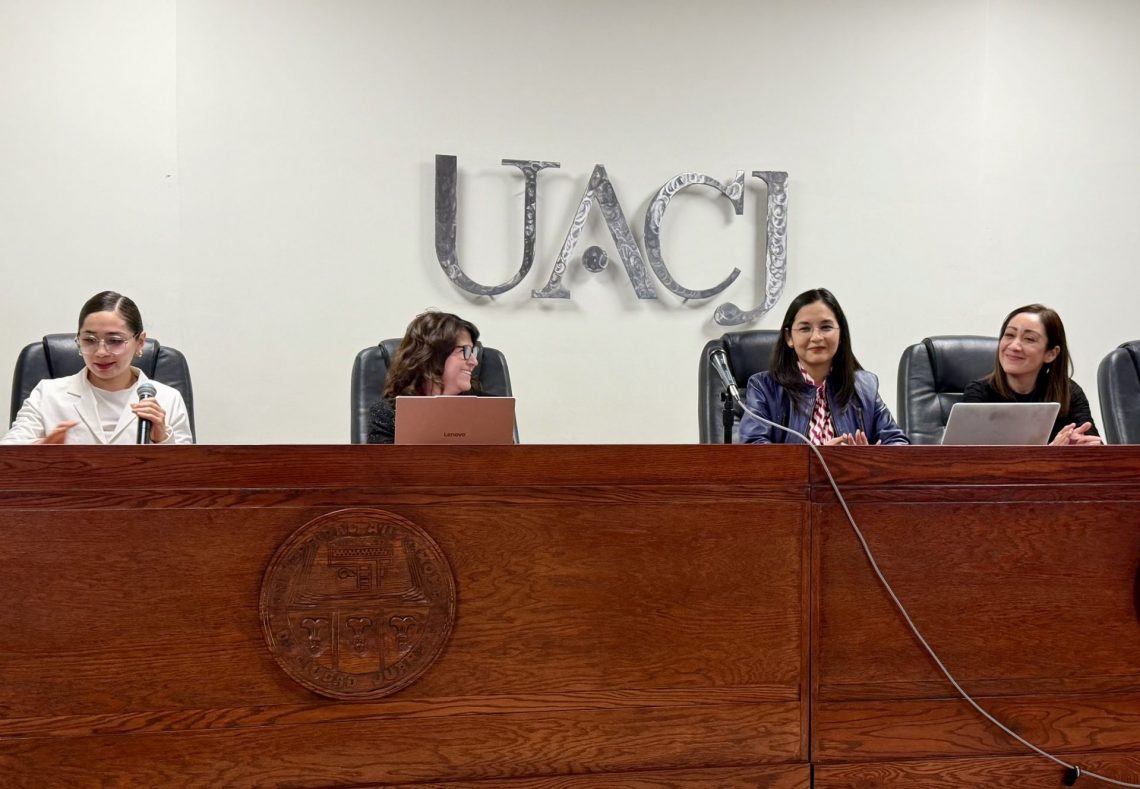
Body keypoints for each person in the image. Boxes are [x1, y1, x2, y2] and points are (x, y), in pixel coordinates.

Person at [1, 291, 193, 445]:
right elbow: (8, 455)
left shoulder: (168, 399)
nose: (101, 352)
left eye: (115, 341)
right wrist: (41, 448)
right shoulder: (47, 394)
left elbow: (188, 473)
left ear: (140, 342)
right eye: (89, 340)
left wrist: (162, 439)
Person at [739, 288, 908, 445]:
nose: (817, 337)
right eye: (805, 328)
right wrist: (816, 459)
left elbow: (899, 444)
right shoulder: (764, 387)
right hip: (794, 471)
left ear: (841, 334)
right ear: (789, 337)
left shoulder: (865, 387)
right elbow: (754, 451)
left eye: (826, 327)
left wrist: (866, 459)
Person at [963, 303, 1101, 445]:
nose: (1014, 346)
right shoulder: (979, 393)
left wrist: (1082, 445)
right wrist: (1049, 454)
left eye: (1029, 339)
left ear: (1051, 354)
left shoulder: (1069, 392)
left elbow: (1096, 446)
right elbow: (969, 454)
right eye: (1009, 335)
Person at [366, 310, 481, 444]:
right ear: (432, 354)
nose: (474, 362)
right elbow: (384, 458)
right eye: (464, 351)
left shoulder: (490, 408)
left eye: (473, 351)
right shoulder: (388, 414)